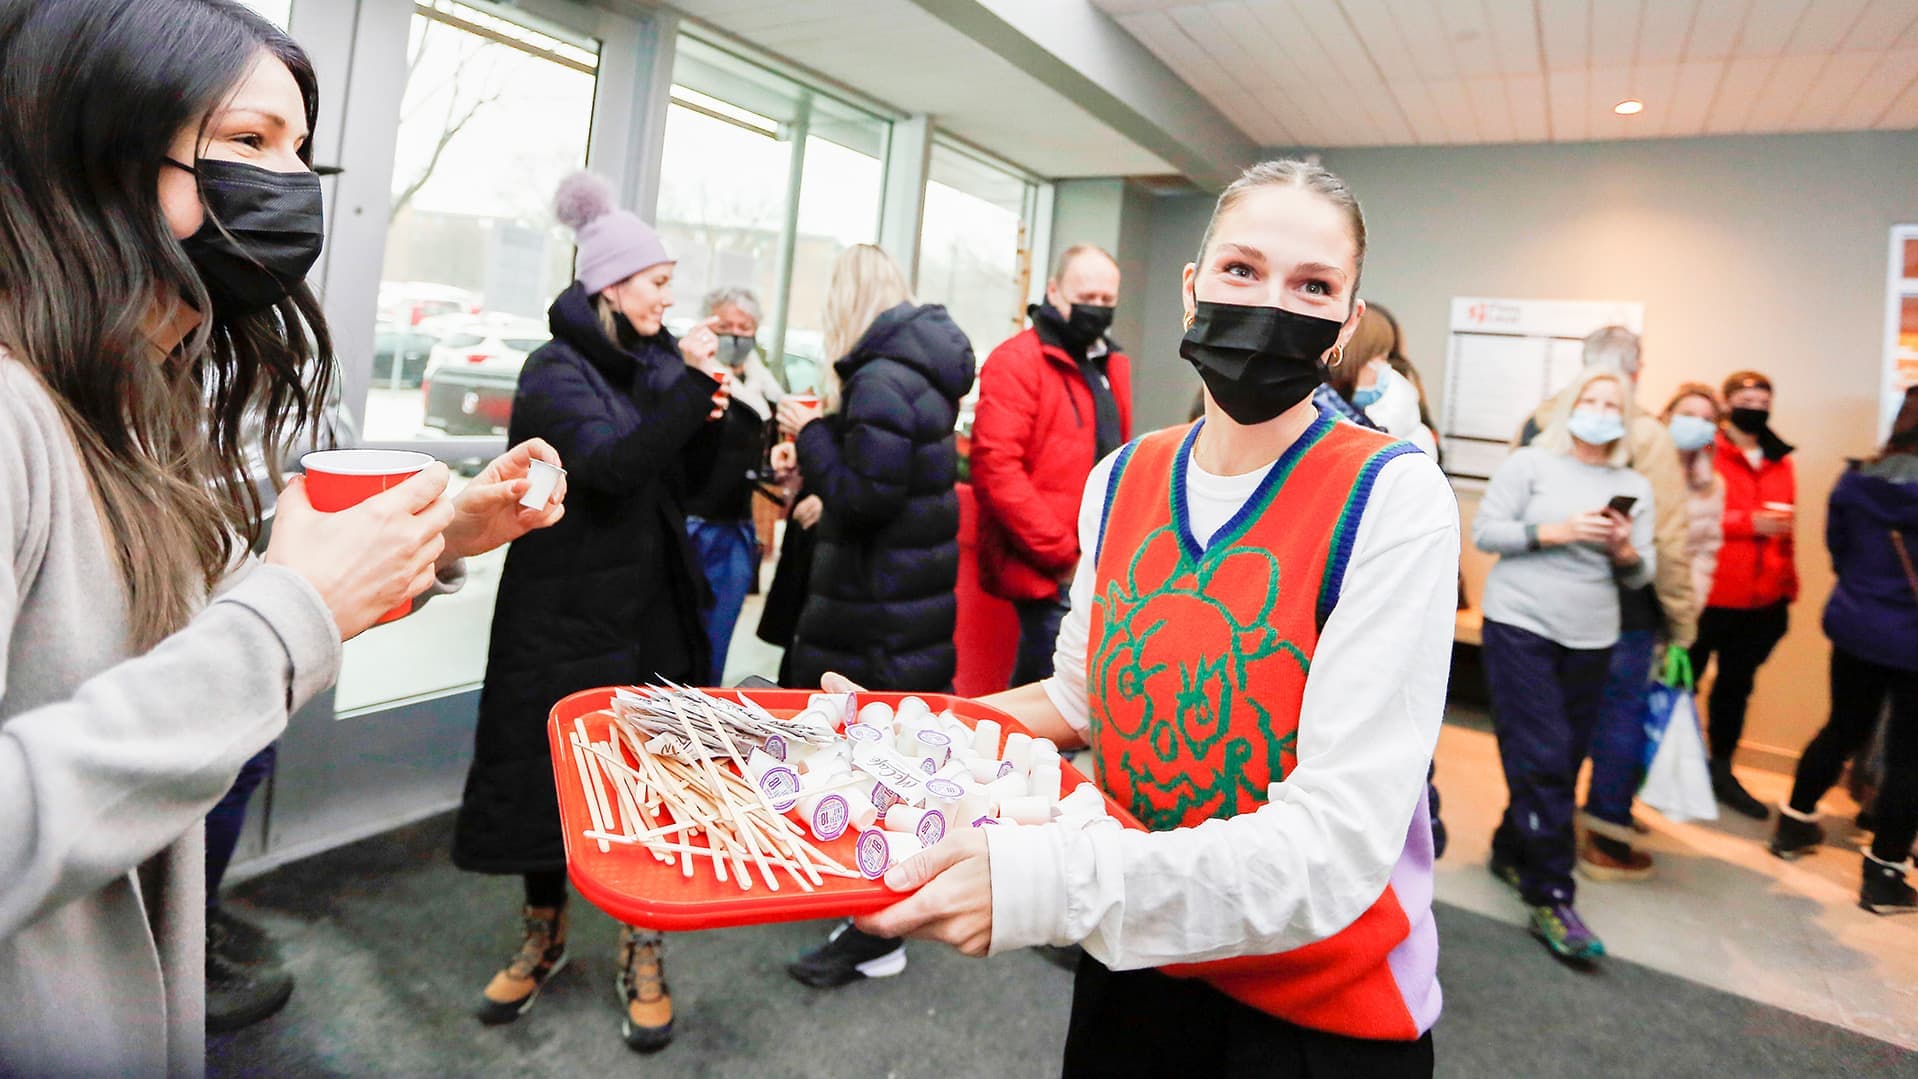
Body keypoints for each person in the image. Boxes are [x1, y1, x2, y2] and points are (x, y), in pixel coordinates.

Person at [0, 3, 564, 1072]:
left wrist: (441, 529)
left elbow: (146, 647)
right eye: (250, 142)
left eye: (300, 149)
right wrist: (277, 623)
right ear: (98, 144)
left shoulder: (125, 404)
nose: (292, 183)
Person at [850, 159, 1456, 1077]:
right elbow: (1080, 698)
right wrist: (909, 724)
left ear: (1345, 321)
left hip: (1317, 1009)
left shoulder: (1392, 498)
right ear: (1191, 287)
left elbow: (1334, 848)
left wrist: (1052, 885)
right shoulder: (1126, 477)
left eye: (1314, 286)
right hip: (1141, 949)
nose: (1270, 305)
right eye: (1242, 270)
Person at [453, 172, 728, 1053]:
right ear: (611, 284)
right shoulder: (554, 371)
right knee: (548, 781)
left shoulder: (654, 363)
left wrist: (720, 420)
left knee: (646, 783)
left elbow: (686, 477)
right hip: (562, 613)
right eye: (657, 279)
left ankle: (643, 940)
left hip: (647, 614)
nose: (669, 294)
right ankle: (545, 931)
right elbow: (607, 469)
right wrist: (686, 400)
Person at [775, 243, 974, 989]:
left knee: (870, 768)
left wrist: (811, 431)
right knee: (884, 763)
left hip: (878, 606)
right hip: (902, 602)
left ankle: (874, 933)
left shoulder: (881, 380)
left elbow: (865, 498)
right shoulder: (916, 375)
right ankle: (872, 916)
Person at [1478, 366, 1654, 962]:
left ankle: (1509, 847)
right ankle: (1551, 891)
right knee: (1545, 755)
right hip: (1520, 622)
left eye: (1613, 404)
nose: (1601, 411)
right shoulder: (1530, 464)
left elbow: (1641, 572)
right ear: (1570, 407)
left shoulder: (1636, 483)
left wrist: (1624, 549)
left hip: (1593, 634)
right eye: (1592, 400)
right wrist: (1555, 530)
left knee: (1561, 758)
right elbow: (1486, 531)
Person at [1516, 327, 1693, 878]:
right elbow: (1667, 535)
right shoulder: (1649, 434)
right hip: (1624, 604)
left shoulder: (1536, 421)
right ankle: (1606, 839)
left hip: (1542, 596)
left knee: (1553, 721)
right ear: (1636, 368)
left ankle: (1541, 827)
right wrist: (1682, 620)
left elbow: (1521, 513)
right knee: (1618, 716)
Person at [1769, 387, 1918, 914]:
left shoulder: (1856, 479)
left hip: (1856, 624)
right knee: (1910, 759)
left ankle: (1793, 826)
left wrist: (1866, 591)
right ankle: (1883, 876)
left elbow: (1839, 549)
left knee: (1842, 726)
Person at [971, 244, 1133, 686]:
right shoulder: (1017, 361)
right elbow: (996, 469)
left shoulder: (1111, 364)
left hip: (1095, 560)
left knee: (1073, 693)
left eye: (1106, 301)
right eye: (1086, 298)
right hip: (1051, 566)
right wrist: (1063, 556)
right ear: (1054, 291)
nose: (1096, 309)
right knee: (1048, 697)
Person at [1693, 370, 1798, 819]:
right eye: (1746, 396)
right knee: (1679, 684)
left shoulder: (1781, 459)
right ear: (1727, 401)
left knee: (1735, 690)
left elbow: (1786, 530)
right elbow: (1686, 517)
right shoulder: (1704, 450)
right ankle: (1663, 768)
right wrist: (1745, 523)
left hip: (1762, 603)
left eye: (1763, 398)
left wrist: (1788, 586)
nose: (1756, 405)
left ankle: (1720, 769)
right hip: (1709, 595)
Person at [685, 285, 783, 684]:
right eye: (726, 325)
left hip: (737, 530)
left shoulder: (765, 387)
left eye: (745, 327)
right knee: (681, 638)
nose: (737, 336)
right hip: (694, 525)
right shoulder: (692, 378)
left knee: (716, 642)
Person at [1663, 384, 1727, 613]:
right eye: (1687, 415)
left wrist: (1691, 608)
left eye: (1707, 419)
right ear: (1667, 417)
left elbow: (1705, 553)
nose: (1696, 423)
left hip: (1677, 606)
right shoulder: (1639, 470)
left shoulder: (1712, 485)